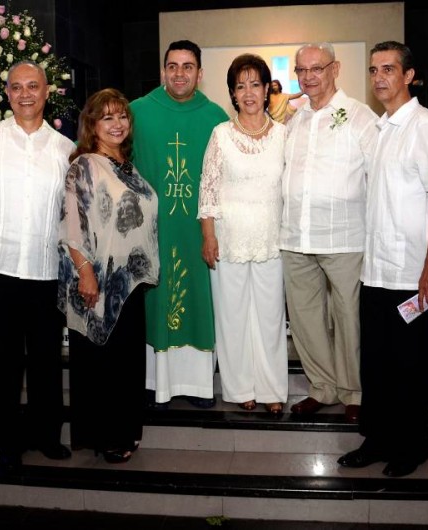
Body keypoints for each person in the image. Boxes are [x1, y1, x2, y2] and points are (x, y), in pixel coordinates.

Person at [338, 41, 428, 477]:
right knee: (378, 362)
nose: (380, 77)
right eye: (373, 70)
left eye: (389, 69)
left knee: (410, 365)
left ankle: (412, 445)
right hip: (377, 270)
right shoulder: (383, 128)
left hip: (411, 272)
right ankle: (377, 438)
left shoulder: (423, 124)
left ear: (409, 76)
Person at [0, 60, 76, 471]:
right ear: (8, 93)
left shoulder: (65, 149)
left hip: (46, 270)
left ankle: (47, 436)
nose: (26, 94)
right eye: (17, 87)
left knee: (47, 361)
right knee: (1, 362)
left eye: (33, 86)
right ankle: (8, 442)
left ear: (47, 92)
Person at [58, 88, 159, 463]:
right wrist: (86, 274)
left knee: (127, 364)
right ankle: (105, 436)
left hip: (128, 282)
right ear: (92, 125)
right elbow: (72, 226)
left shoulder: (126, 165)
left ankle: (125, 431)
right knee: (103, 364)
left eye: (122, 117)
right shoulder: (84, 165)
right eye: (107, 118)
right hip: (97, 282)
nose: (117, 124)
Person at [280, 42, 377, 424]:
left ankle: (354, 390)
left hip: (345, 237)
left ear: (335, 69)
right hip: (296, 238)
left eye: (316, 68)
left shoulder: (360, 116)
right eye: (301, 71)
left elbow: (378, 175)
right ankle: (322, 388)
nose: (308, 77)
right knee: (305, 320)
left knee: (350, 317)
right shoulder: (294, 119)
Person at [130, 40, 229, 408]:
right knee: (155, 299)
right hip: (152, 229)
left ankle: (199, 385)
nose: (179, 73)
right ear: (163, 70)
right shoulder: (138, 111)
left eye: (188, 67)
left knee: (199, 300)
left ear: (200, 74)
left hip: (198, 230)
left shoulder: (216, 117)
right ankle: (156, 381)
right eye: (172, 66)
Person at [199, 54, 288, 414]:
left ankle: (272, 390)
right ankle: (239, 389)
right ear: (232, 94)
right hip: (228, 237)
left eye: (255, 84)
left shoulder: (285, 135)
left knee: (270, 317)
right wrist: (208, 236)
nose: (248, 93)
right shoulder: (220, 134)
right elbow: (208, 189)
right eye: (240, 86)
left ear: (267, 89)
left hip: (272, 238)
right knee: (232, 316)